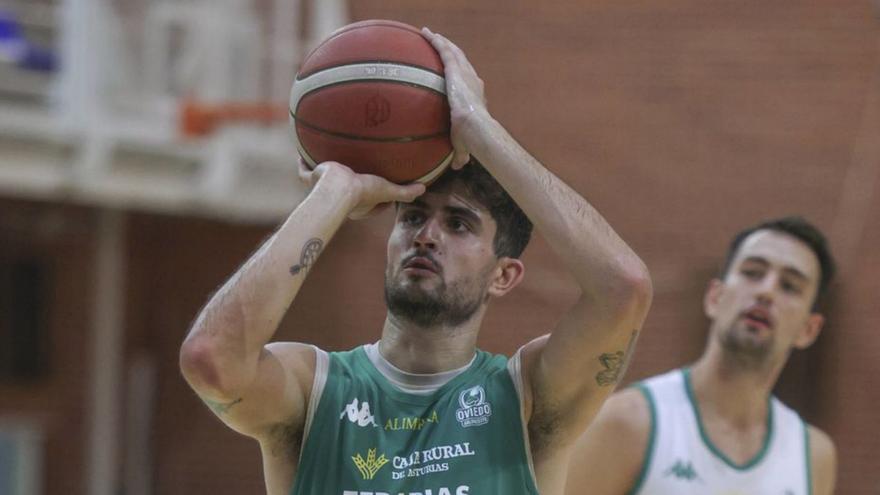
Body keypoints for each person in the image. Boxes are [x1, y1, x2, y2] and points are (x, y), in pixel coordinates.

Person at [179, 28, 652, 495]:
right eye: (413, 218)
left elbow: (623, 288)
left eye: (459, 224)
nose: (426, 236)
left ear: (504, 275)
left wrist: (479, 128)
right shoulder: (314, 390)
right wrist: (334, 192)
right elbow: (211, 359)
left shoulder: (527, 399)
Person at [565, 217, 837, 495]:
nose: (766, 291)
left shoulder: (814, 455)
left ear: (809, 329)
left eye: (789, 286)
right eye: (753, 272)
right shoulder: (626, 422)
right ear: (715, 297)